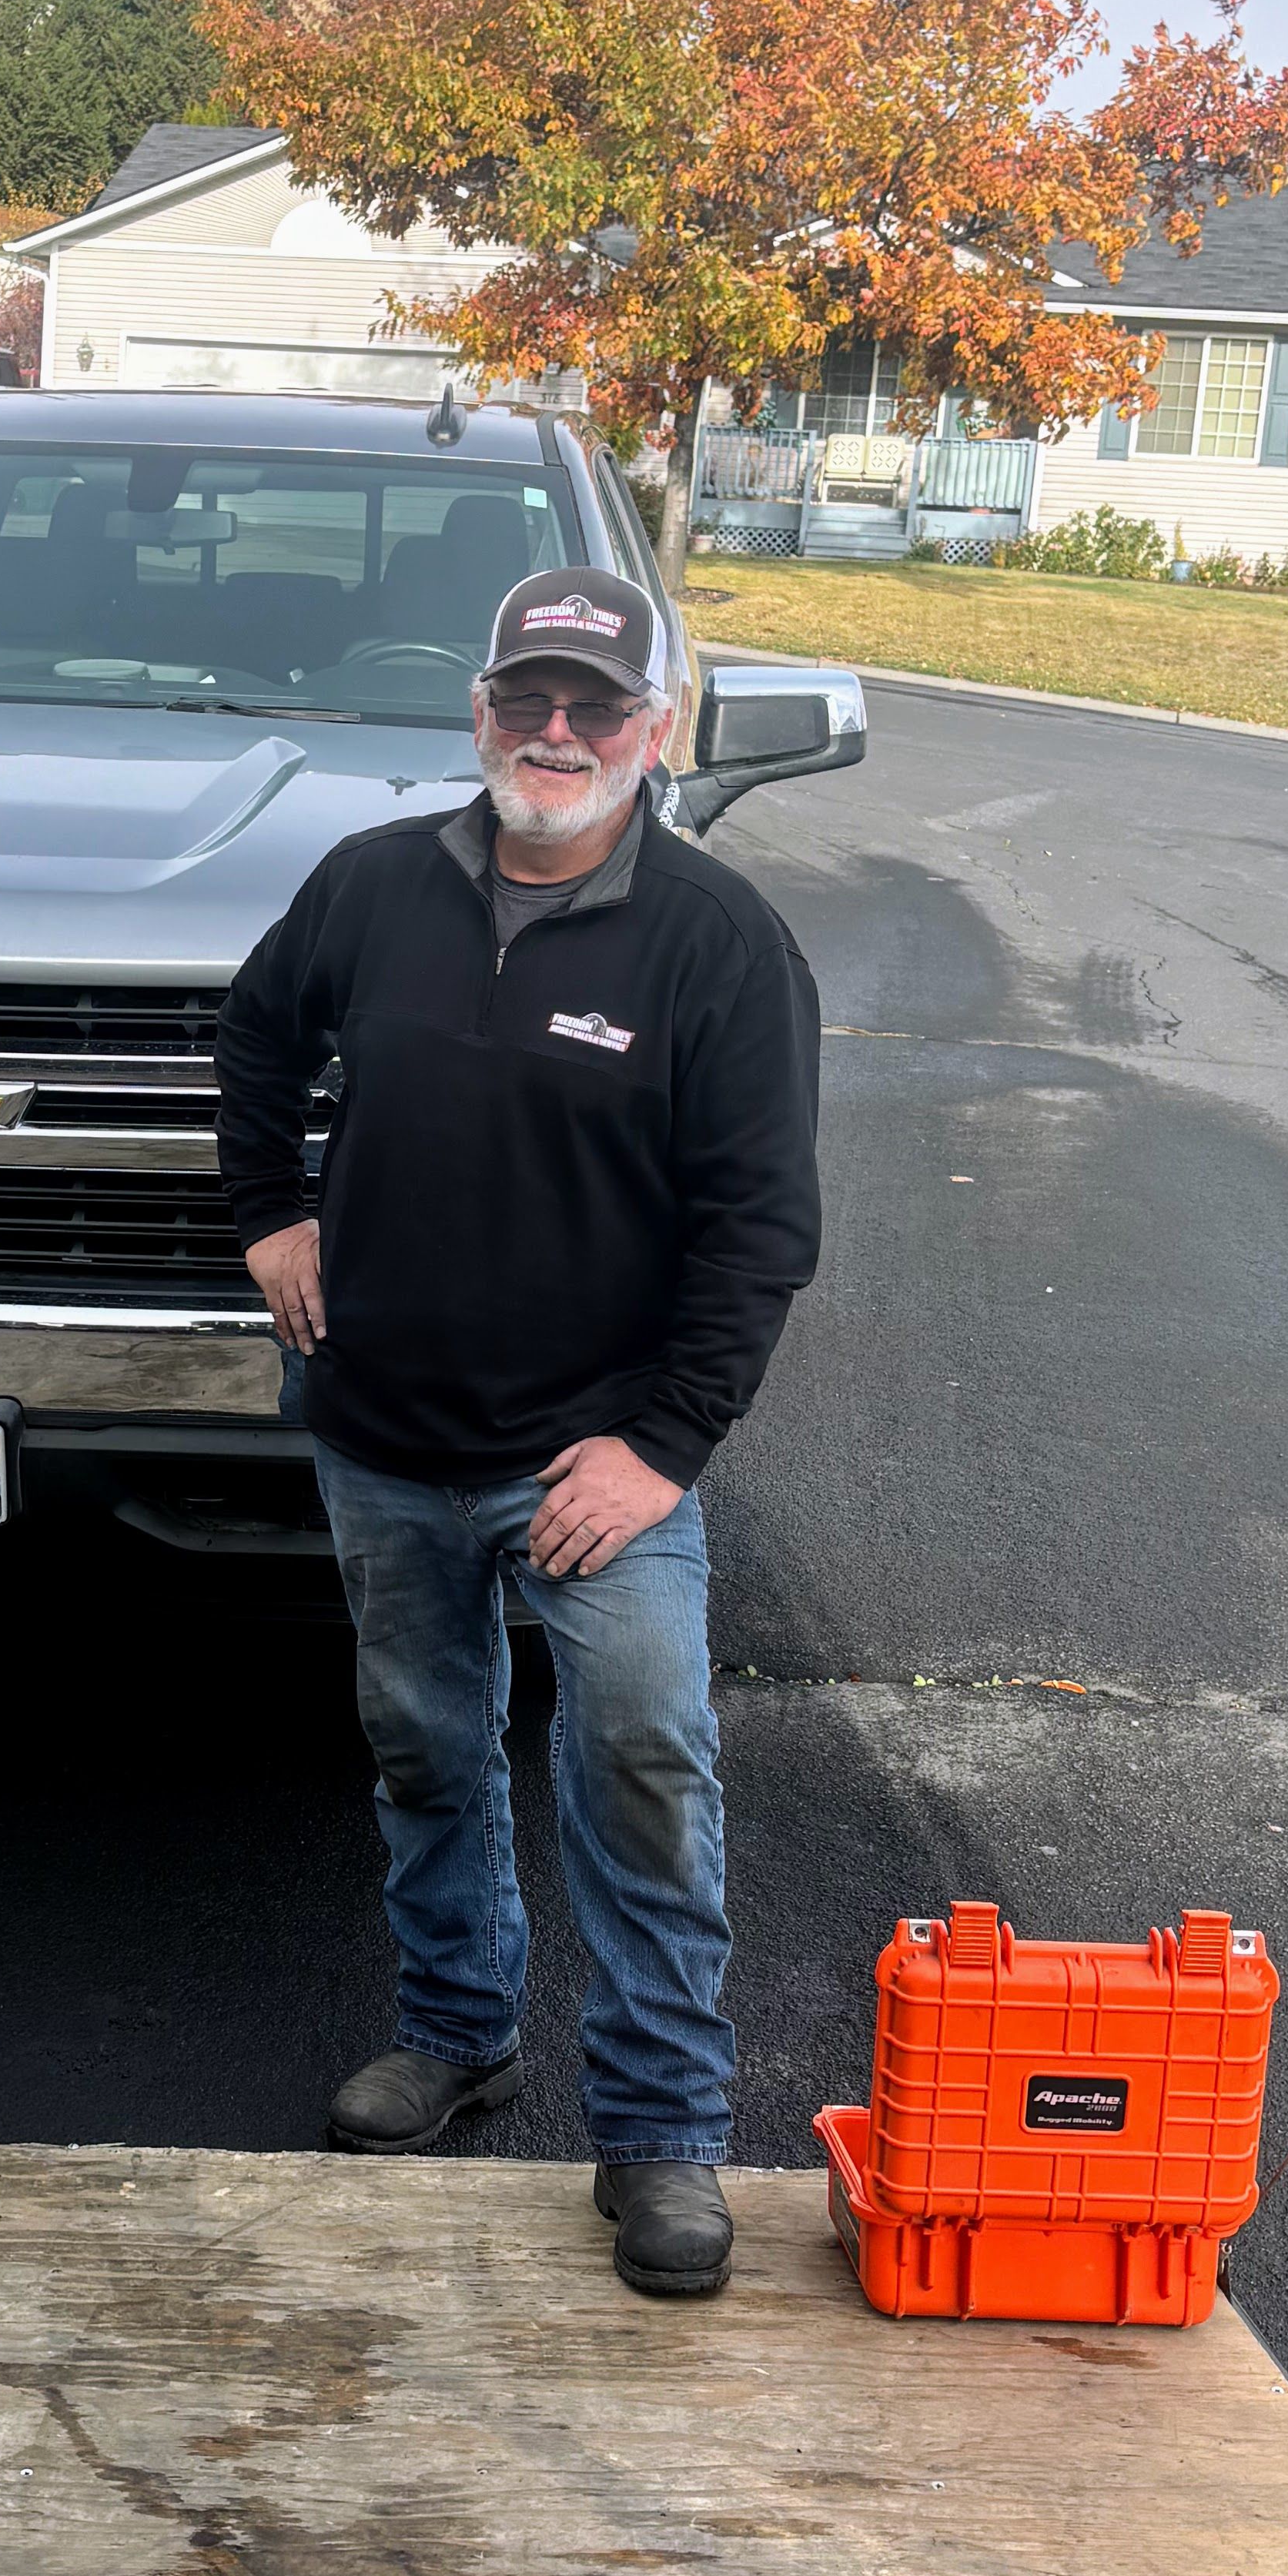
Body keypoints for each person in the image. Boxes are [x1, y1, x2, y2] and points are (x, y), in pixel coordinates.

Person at [214, 564, 822, 2298]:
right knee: (424, 1747)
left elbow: (760, 1232)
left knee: (639, 1774)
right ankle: (461, 2033)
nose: (558, 734)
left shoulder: (717, 945)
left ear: (657, 731)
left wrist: (663, 1449)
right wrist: (271, 1215)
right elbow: (255, 1040)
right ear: (480, 712)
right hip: (384, 1434)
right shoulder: (371, 887)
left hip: (598, 1465)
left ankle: (659, 2134)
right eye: (527, 701)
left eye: (596, 708)